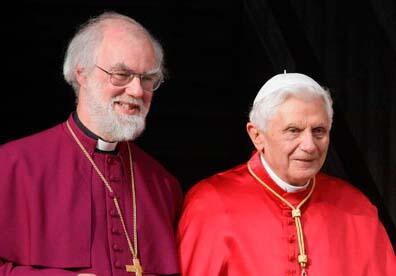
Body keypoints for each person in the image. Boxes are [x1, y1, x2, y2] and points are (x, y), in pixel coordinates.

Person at [0, 11, 183, 276]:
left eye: (147, 79)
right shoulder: (11, 166)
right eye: (121, 74)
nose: (136, 91)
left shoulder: (164, 185)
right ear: (82, 74)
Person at [177, 72, 395, 275]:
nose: (309, 145)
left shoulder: (355, 206)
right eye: (294, 130)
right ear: (257, 135)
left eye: (319, 131)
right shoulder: (211, 202)